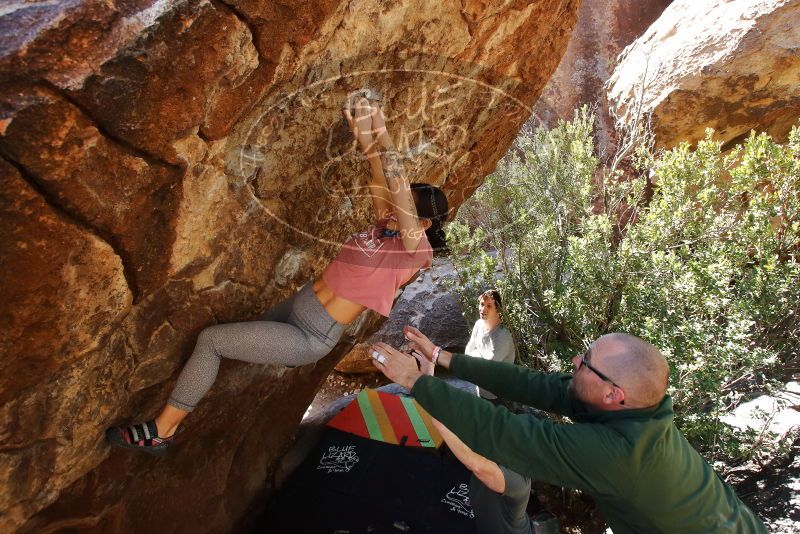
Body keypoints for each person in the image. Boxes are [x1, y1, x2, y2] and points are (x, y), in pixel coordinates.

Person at [106, 98, 449, 456]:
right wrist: (365, 134)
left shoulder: (415, 251)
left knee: (212, 342)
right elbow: (380, 173)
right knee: (222, 349)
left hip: (309, 335)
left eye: (406, 206)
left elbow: (396, 180)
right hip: (297, 305)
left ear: (424, 223)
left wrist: (383, 130)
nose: (396, 207)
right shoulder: (385, 226)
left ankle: (161, 432)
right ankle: (186, 406)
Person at [371, 329, 768, 533]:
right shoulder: (636, 407)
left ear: (613, 394)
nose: (576, 360)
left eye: (586, 362)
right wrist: (443, 357)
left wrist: (417, 382)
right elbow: (536, 385)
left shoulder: (622, 455)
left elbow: (507, 434)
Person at [465, 289, 515, 402]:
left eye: (489, 306)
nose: (483, 309)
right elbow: (467, 352)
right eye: (482, 304)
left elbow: (487, 368)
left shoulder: (503, 335)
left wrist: (476, 354)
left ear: (498, 310)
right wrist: (481, 358)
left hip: (499, 397)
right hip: (481, 390)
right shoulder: (479, 325)